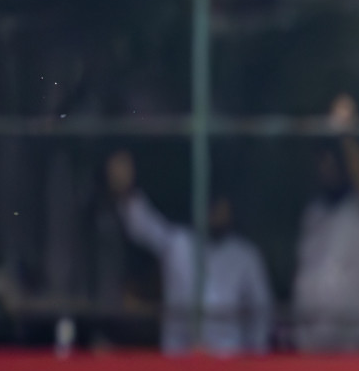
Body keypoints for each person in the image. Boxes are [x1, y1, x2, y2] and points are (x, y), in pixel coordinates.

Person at [105, 150, 272, 355]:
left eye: (222, 207)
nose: (217, 213)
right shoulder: (179, 243)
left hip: (228, 359)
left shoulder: (246, 255)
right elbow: (142, 224)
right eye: (212, 207)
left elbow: (261, 314)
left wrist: (253, 362)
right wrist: (125, 190)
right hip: (179, 358)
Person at [293, 93, 359, 351]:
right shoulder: (315, 213)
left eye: (334, 160)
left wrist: (345, 134)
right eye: (322, 161)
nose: (326, 168)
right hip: (314, 345)